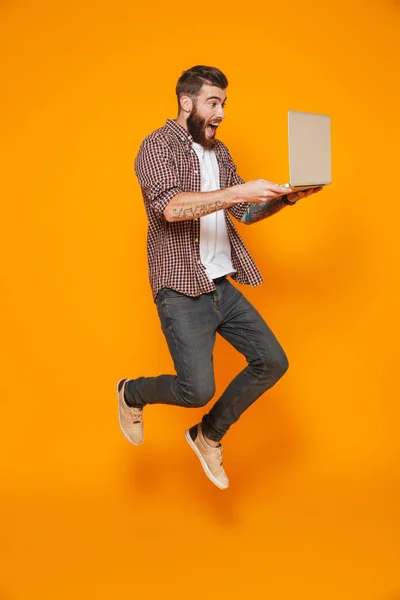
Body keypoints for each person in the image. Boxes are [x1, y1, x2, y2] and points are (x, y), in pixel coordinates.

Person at [117, 65, 323, 490]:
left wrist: (286, 200)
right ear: (186, 102)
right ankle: (130, 393)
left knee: (272, 361)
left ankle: (207, 435)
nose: (222, 112)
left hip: (219, 284)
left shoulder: (220, 151)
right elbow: (171, 208)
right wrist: (238, 192)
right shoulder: (156, 147)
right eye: (214, 102)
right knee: (196, 390)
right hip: (180, 288)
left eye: (224, 103)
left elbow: (243, 212)